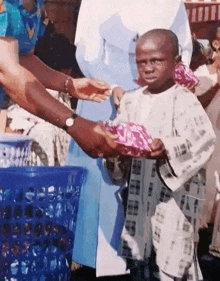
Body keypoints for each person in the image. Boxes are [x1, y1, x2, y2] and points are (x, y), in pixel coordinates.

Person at [68, 0, 192, 278]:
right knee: (105, 188)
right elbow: (86, 51)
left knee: (152, 191)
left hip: (155, 98)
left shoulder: (173, 4)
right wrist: (112, 86)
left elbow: (182, 49)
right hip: (104, 95)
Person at [110, 29, 216, 281]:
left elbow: (203, 139)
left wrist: (166, 148)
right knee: (140, 257)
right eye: (141, 62)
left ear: (176, 62)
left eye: (156, 60)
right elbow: (120, 138)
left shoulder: (184, 100)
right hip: (138, 195)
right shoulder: (130, 101)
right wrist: (116, 151)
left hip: (174, 201)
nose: (147, 68)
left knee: (173, 262)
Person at [0, 0, 120, 158]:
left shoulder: (34, 6)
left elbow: (23, 58)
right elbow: (8, 71)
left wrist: (69, 84)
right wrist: (74, 124)